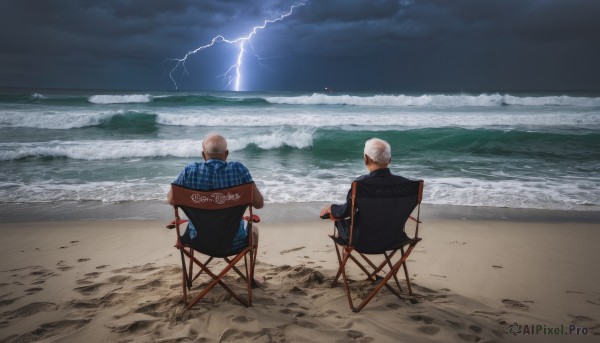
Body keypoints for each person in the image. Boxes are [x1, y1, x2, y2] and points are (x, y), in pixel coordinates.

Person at [167, 133, 264, 255]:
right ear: (226, 153)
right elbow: (259, 203)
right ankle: (249, 273)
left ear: (203, 155)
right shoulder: (239, 169)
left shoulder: (189, 171)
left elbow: (171, 199)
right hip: (235, 242)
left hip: (197, 241)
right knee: (253, 230)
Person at [320, 138, 411, 241]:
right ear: (389, 160)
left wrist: (332, 209)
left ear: (366, 159)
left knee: (339, 220)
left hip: (362, 241)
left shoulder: (360, 184)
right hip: (394, 238)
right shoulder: (407, 185)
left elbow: (346, 212)